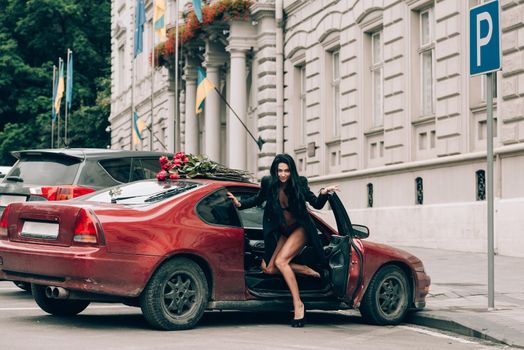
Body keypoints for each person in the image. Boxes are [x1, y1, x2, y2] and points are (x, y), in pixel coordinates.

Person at [227, 153, 338, 327]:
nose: (283, 174)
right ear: (275, 171)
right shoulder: (268, 183)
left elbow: (316, 204)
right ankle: (305, 270)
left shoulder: (299, 183)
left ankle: (298, 305)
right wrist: (239, 204)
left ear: (291, 171)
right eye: (280, 171)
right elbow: (257, 199)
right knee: (268, 268)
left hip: (300, 229)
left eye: (286, 171)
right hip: (283, 231)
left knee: (282, 262)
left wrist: (323, 193)